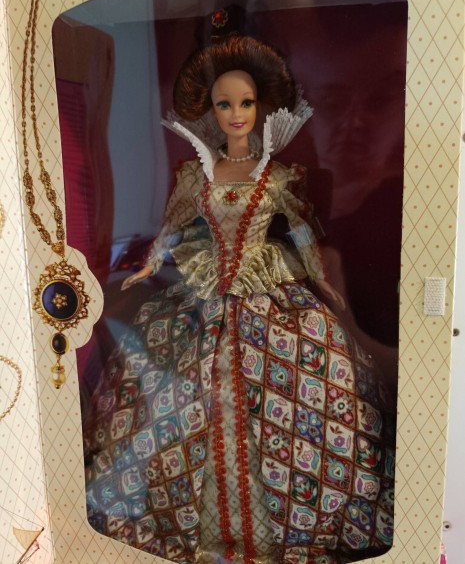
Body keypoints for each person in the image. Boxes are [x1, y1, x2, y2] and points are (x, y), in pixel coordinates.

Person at [83, 34, 394, 564]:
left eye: (245, 103)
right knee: (172, 396)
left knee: (305, 389)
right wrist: (149, 266)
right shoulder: (196, 174)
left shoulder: (276, 176)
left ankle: (296, 521)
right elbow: (172, 225)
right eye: (224, 104)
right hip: (203, 289)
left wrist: (320, 280)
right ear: (210, 110)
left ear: (260, 108)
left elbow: (301, 229)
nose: (235, 114)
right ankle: (183, 521)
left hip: (268, 289)